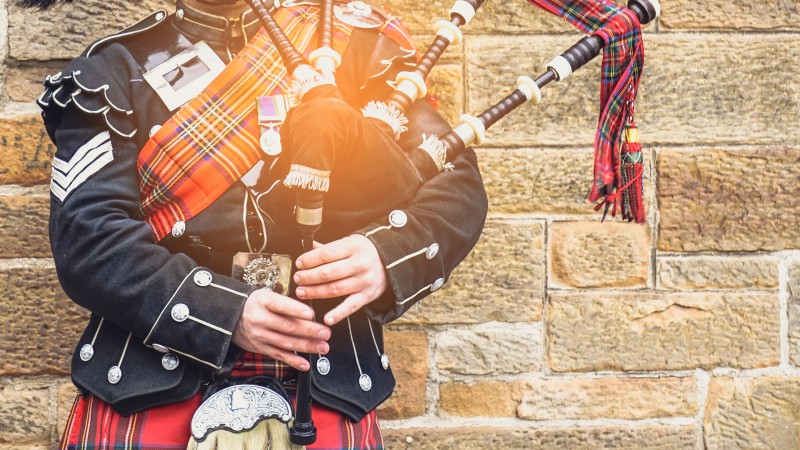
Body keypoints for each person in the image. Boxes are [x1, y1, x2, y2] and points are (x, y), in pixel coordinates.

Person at [29, 0, 488, 448]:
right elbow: (89, 236)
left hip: (326, 378)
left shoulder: (361, 49)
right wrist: (224, 312)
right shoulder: (115, 67)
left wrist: (384, 255)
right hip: (150, 384)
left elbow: (457, 188)